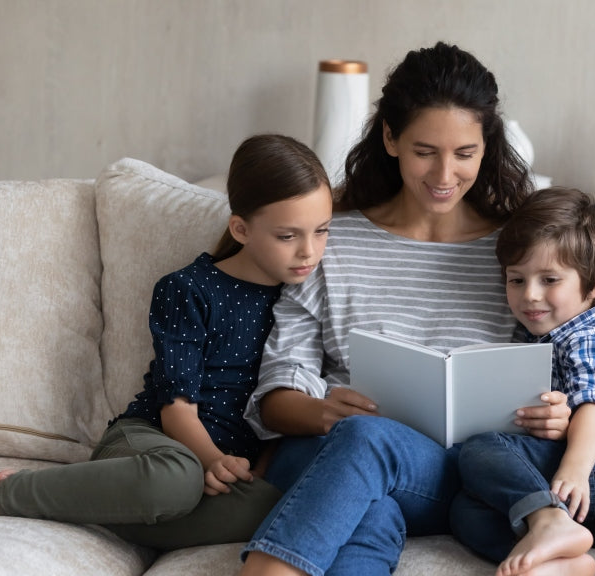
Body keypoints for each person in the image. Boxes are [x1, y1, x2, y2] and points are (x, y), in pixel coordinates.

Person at [237, 42, 572, 576]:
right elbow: (275, 395)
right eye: (424, 151)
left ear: (487, 146)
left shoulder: (518, 253)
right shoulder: (332, 240)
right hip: (329, 450)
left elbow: (567, 363)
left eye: (464, 153)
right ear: (390, 137)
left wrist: (557, 413)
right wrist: (324, 412)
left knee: (369, 447)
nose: (444, 174)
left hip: (451, 475)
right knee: (370, 506)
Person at [0, 134, 333, 550]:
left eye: (322, 231)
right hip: (150, 446)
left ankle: (112, 509)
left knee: (278, 508)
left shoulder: (303, 303)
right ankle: (9, 494)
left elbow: (281, 420)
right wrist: (211, 460)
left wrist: (244, 473)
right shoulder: (189, 289)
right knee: (177, 477)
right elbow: (176, 410)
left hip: (218, 474)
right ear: (241, 229)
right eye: (288, 236)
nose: (308, 252)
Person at [450, 187, 595, 576]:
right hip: (582, 485)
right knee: (464, 509)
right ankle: (557, 559)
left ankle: (550, 521)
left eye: (549, 279)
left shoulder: (589, 334)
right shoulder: (531, 338)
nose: (530, 296)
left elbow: (593, 407)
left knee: (481, 449)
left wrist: (575, 469)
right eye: (516, 280)